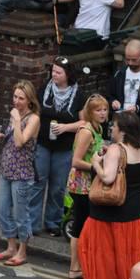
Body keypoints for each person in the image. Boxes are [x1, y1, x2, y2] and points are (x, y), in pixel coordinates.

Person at [65, 111, 140, 279]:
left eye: (115, 125)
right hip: (132, 213)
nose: (112, 128)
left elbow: (108, 178)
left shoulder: (116, 150)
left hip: (108, 211)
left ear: (123, 131)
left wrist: (95, 164)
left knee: (91, 248)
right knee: (122, 254)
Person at [0, 81, 41, 267]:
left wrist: (17, 120)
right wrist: (1, 136)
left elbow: (21, 142)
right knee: (2, 211)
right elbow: (13, 139)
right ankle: (11, 247)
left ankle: (22, 252)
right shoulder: (15, 116)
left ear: (29, 100)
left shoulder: (33, 119)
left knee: (21, 216)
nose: (16, 101)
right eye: (15, 97)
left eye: (21, 98)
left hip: (22, 174)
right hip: (6, 169)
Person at [32, 56, 85, 237]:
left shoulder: (78, 95)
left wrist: (65, 128)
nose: (53, 74)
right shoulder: (45, 90)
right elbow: (36, 112)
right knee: (38, 183)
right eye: (53, 71)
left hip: (64, 148)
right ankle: (32, 222)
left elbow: (84, 122)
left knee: (57, 187)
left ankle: (53, 222)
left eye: (58, 72)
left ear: (68, 74)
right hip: (43, 144)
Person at [67, 94, 109, 279]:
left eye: (105, 109)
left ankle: (83, 264)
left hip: (90, 184)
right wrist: (96, 167)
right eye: (98, 110)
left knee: (87, 225)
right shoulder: (86, 131)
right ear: (90, 112)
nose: (102, 113)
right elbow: (75, 161)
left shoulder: (98, 128)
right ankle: (74, 267)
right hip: (81, 186)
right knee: (80, 225)